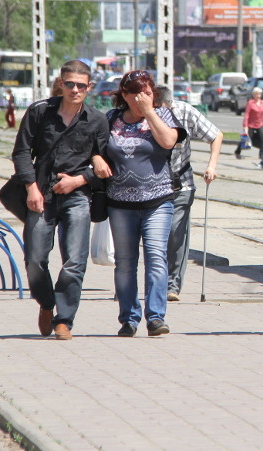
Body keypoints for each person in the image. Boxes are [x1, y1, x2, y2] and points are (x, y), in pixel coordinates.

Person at [11, 60, 110, 341]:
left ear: (89, 87)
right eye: (70, 84)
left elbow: (106, 167)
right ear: (61, 83)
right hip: (41, 194)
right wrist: (31, 188)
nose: (75, 90)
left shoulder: (97, 120)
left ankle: (64, 320)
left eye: (81, 85)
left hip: (77, 196)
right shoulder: (40, 112)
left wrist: (79, 180)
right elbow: (21, 152)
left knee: (75, 261)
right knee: (34, 259)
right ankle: (45, 303)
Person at [101, 70, 185, 337]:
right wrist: (96, 160)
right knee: (125, 262)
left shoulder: (163, 115)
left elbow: (168, 141)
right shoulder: (111, 119)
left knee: (156, 258)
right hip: (120, 203)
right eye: (137, 94)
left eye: (149, 93)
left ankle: (156, 317)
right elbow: (94, 147)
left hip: (158, 201)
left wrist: (149, 112)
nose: (144, 98)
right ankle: (128, 318)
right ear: (125, 96)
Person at [159, 86, 222, 302]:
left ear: (170, 105)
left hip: (180, 184)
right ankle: (153, 281)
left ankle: (172, 285)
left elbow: (216, 135)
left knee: (176, 233)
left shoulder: (185, 111)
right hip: (149, 187)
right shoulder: (143, 114)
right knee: (156, 235)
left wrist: (211, 165)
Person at [236, 87, 263, 168]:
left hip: (260, 123)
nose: (258, 96)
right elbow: (247, 115)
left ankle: (262, 155)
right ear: (253, 94)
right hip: (251, 124)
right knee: (246, 139)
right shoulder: (250, 103)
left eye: (259, 94)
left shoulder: (261, 102)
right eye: (257, 94)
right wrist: (245, 126)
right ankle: (237, 151)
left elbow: (262, 114)